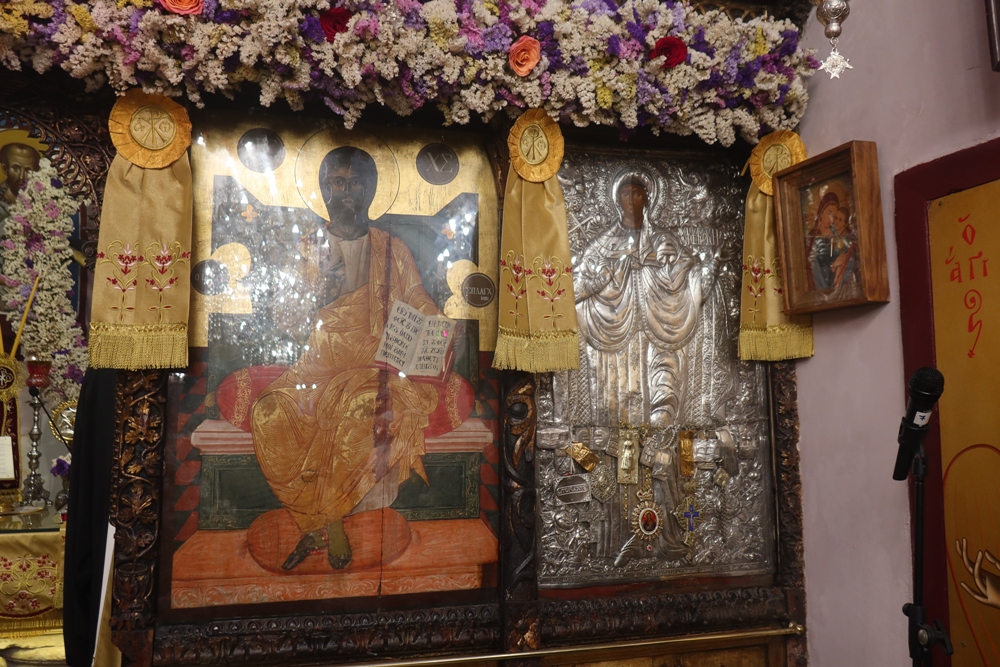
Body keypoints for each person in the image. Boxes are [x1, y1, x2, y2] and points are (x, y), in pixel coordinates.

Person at [250, 147, 440, 571]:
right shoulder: (307, 247)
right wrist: (318, 290)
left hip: (373, 365)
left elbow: (417, 300)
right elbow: (283, 321)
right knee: (269, 415)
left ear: (370, 189)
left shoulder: (391, 249)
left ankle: (329, 527)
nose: (347, 191)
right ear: (324, 190)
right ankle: (315, 521)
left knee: (353, 413)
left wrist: (440, 325)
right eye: (338, 182)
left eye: (356, 182)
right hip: (317, 365)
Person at [573, 171, 727, 562]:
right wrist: (609, 275)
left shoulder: (666, 243)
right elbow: (575, 289)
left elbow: (690, 284)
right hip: (618, 362)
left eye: (639, 193)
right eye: (626, 193)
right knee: (623, 442)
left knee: (663, 436)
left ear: (649, 199)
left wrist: (703, 273)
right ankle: (622, 537)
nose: (632, 200)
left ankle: (669, 537)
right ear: (615, 200)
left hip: (661, 351)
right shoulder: (602, 246)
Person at [807, 191, 857, 291]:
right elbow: (814, 266)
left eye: (834, 216)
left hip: (839, 282)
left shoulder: (836, 234)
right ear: (821, 212)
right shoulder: (812, 237)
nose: (831, 219)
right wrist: (833, 265)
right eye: (829, 213)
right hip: (822, 283)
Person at [0, 143, 41, 223]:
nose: (21, 177)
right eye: (16, 168)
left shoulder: (41, 199)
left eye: (28, 170)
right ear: (5, 169)